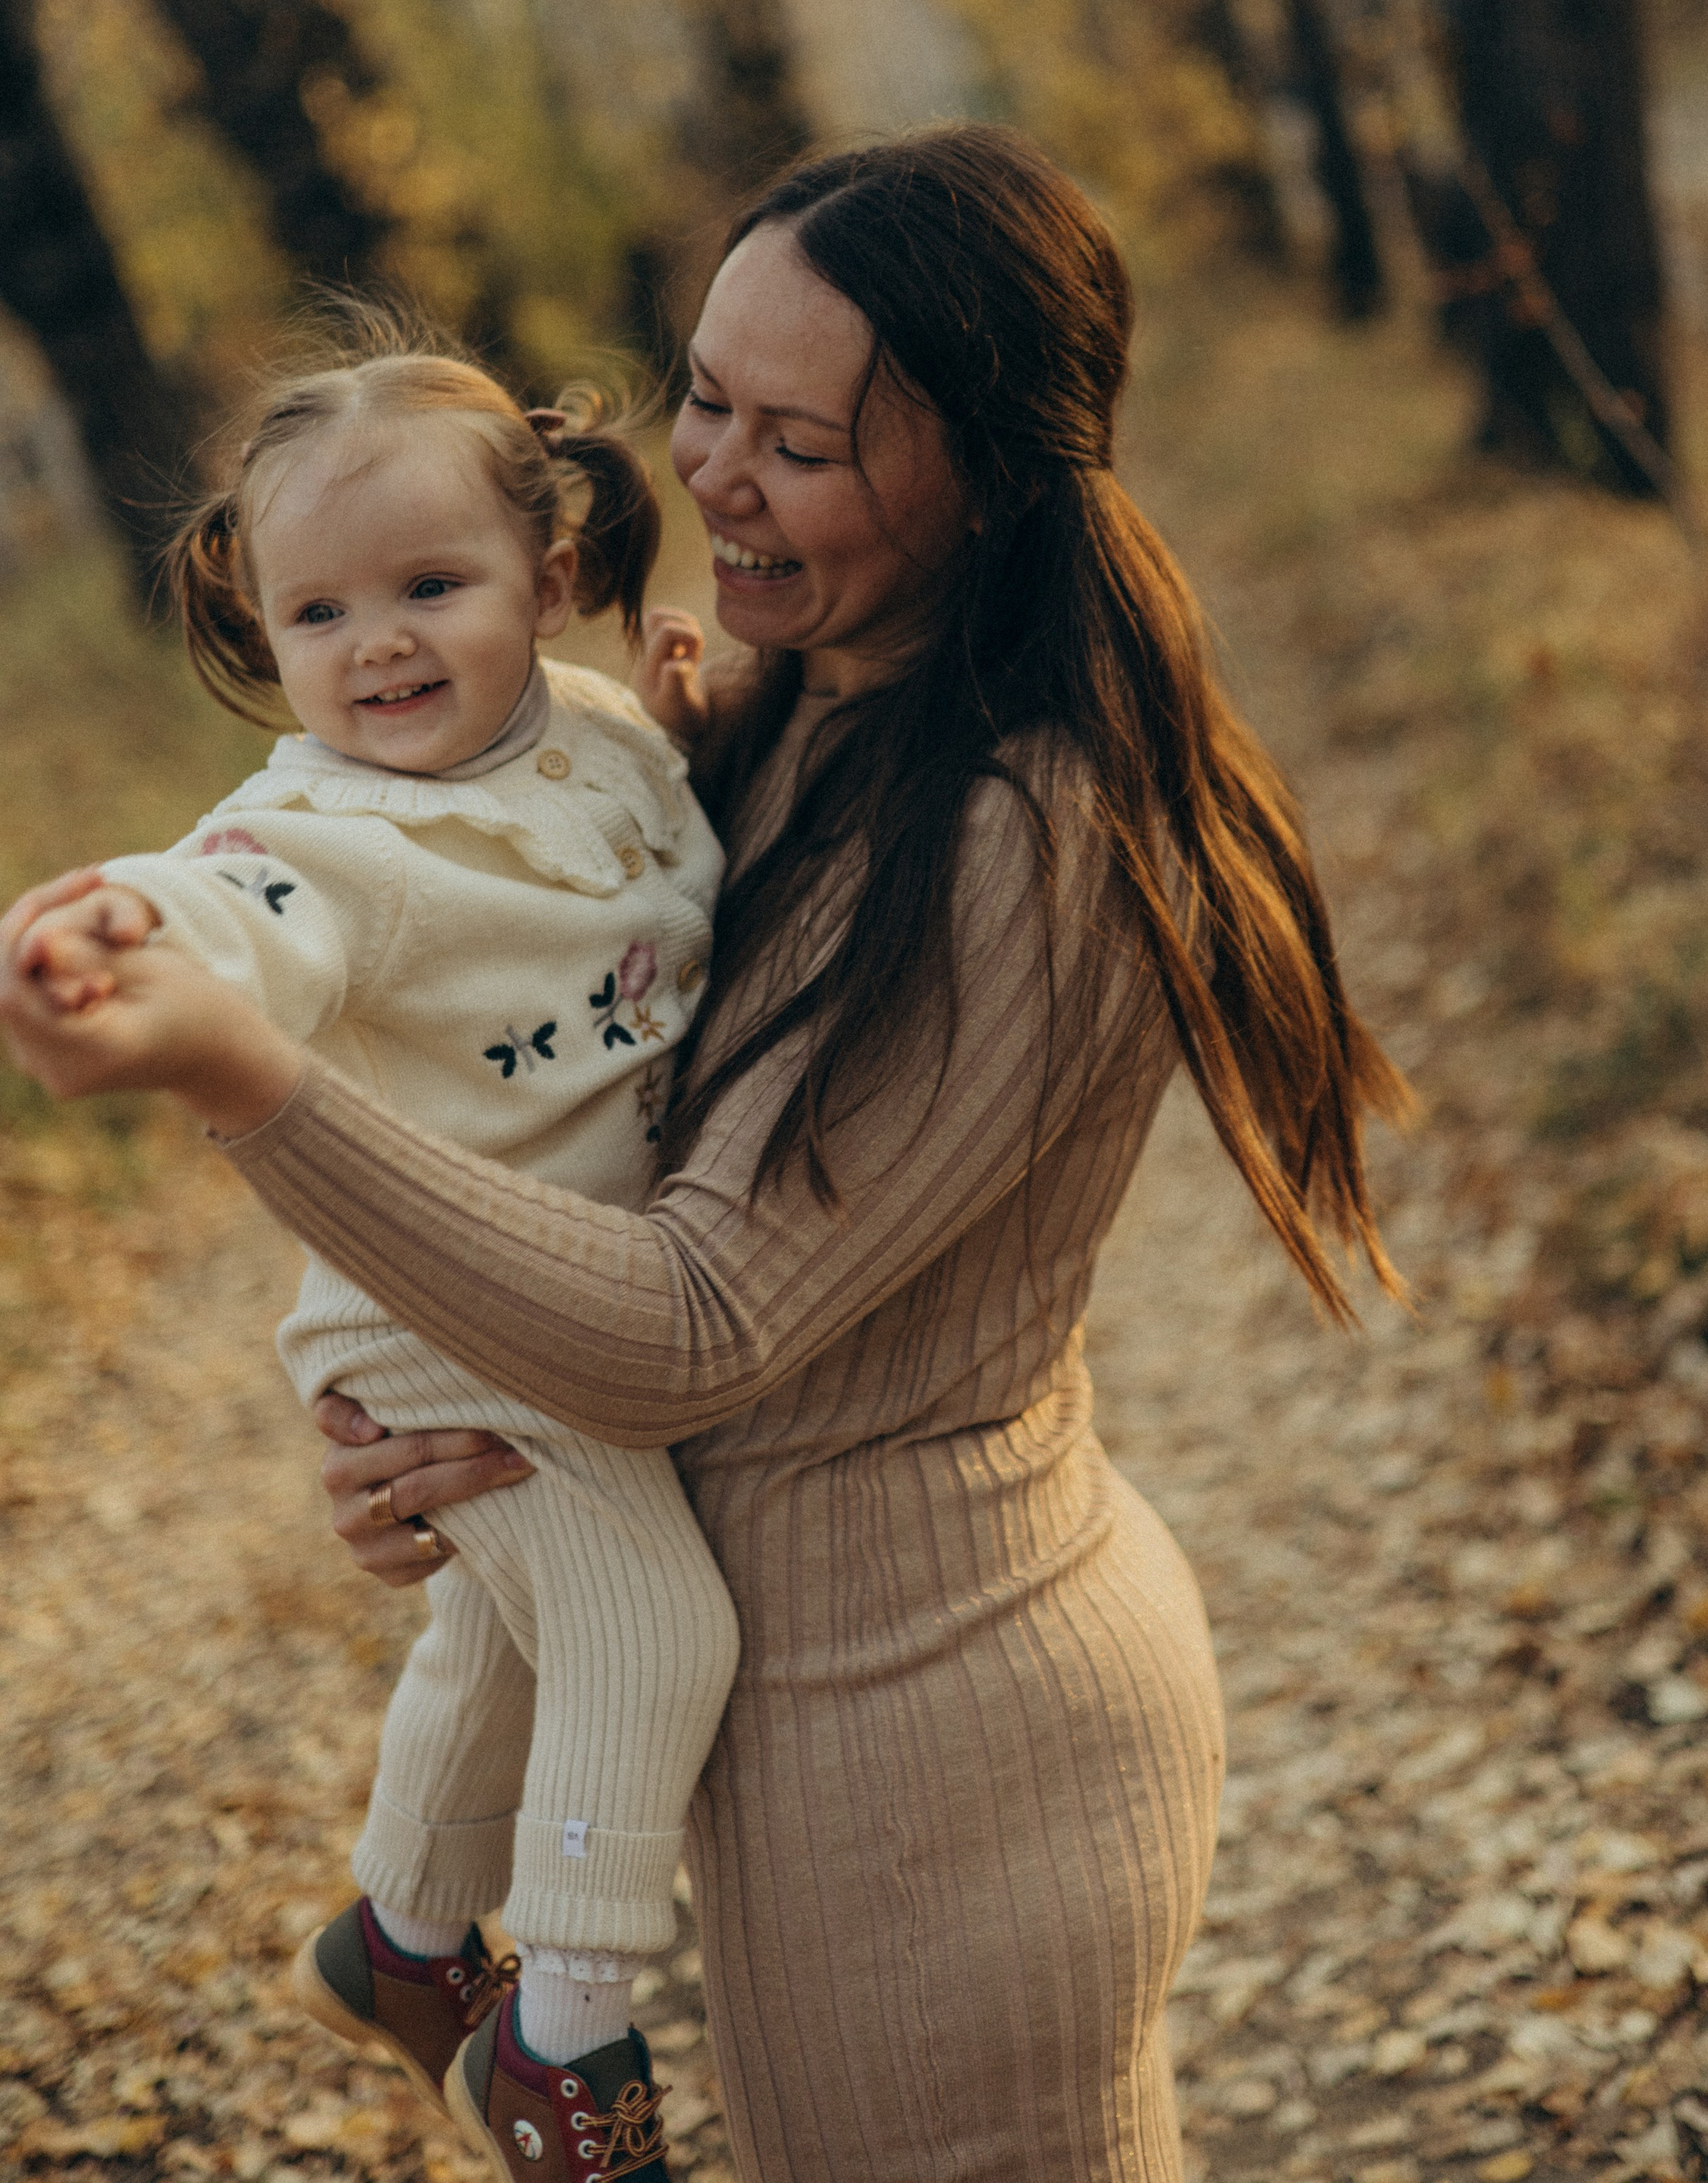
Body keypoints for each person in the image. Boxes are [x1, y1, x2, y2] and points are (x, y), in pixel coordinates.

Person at [2, 125, 1407, 2183]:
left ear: (993, 471)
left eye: (802, 442)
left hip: (937, 1738)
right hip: (814, 1711)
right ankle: (420, 1941)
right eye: (706, 399)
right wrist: (457, 1455)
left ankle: (492, 2004)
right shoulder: (800, 710)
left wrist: (257, 1091)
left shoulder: (1027, 836)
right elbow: (537, 1073)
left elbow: (694, 1324)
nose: (717, 473)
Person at [13, 330, 743, 2183]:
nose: (379, 646)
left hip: (565, 1289)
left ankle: (400, 1936)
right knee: (654, 1622)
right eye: (319, 612)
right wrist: (115, 922)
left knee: (505, 1630)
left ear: (547, 577)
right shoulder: (325, 833)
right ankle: (563, 2046)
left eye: (431, 587)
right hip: (441, 1307)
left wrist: (705, 738)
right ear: (265, 631)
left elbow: (666, 860)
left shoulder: (594, 728)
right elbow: (228, 896)